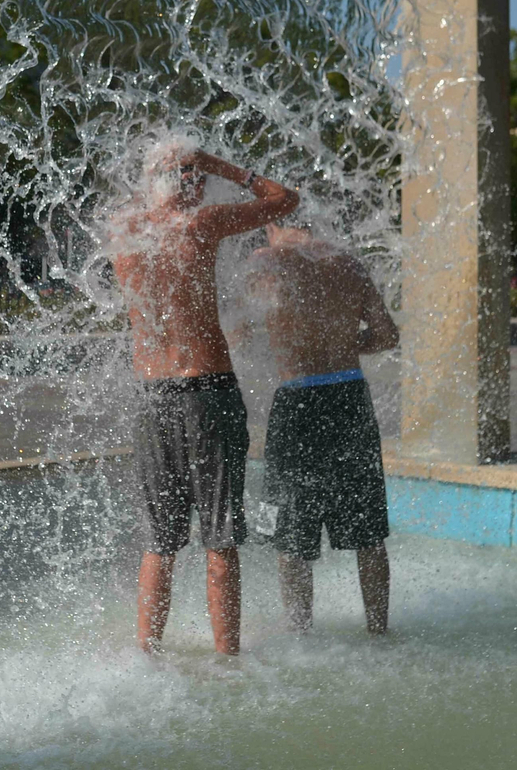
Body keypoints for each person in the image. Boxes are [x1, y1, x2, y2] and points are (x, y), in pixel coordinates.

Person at [110, 140, 298, 655]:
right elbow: (286, 201)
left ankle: (146, 655)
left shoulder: (123, 230)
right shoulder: (203, 223)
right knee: (220, 539)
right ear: (193, 180)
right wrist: (226, 167)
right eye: (199, 178)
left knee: (159, 543)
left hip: (150, 397)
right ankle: (227, 659)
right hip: (205, 392)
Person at [245, 216, 398, 634]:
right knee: (368, 532)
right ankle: (379, 632)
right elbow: (386, 335)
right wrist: (343, 344)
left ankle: (300, 634)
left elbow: (240, 331)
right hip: (350, 396)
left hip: (298, 399)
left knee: (289, 535)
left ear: (273, 223)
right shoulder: (348, 263)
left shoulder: (266, 260)